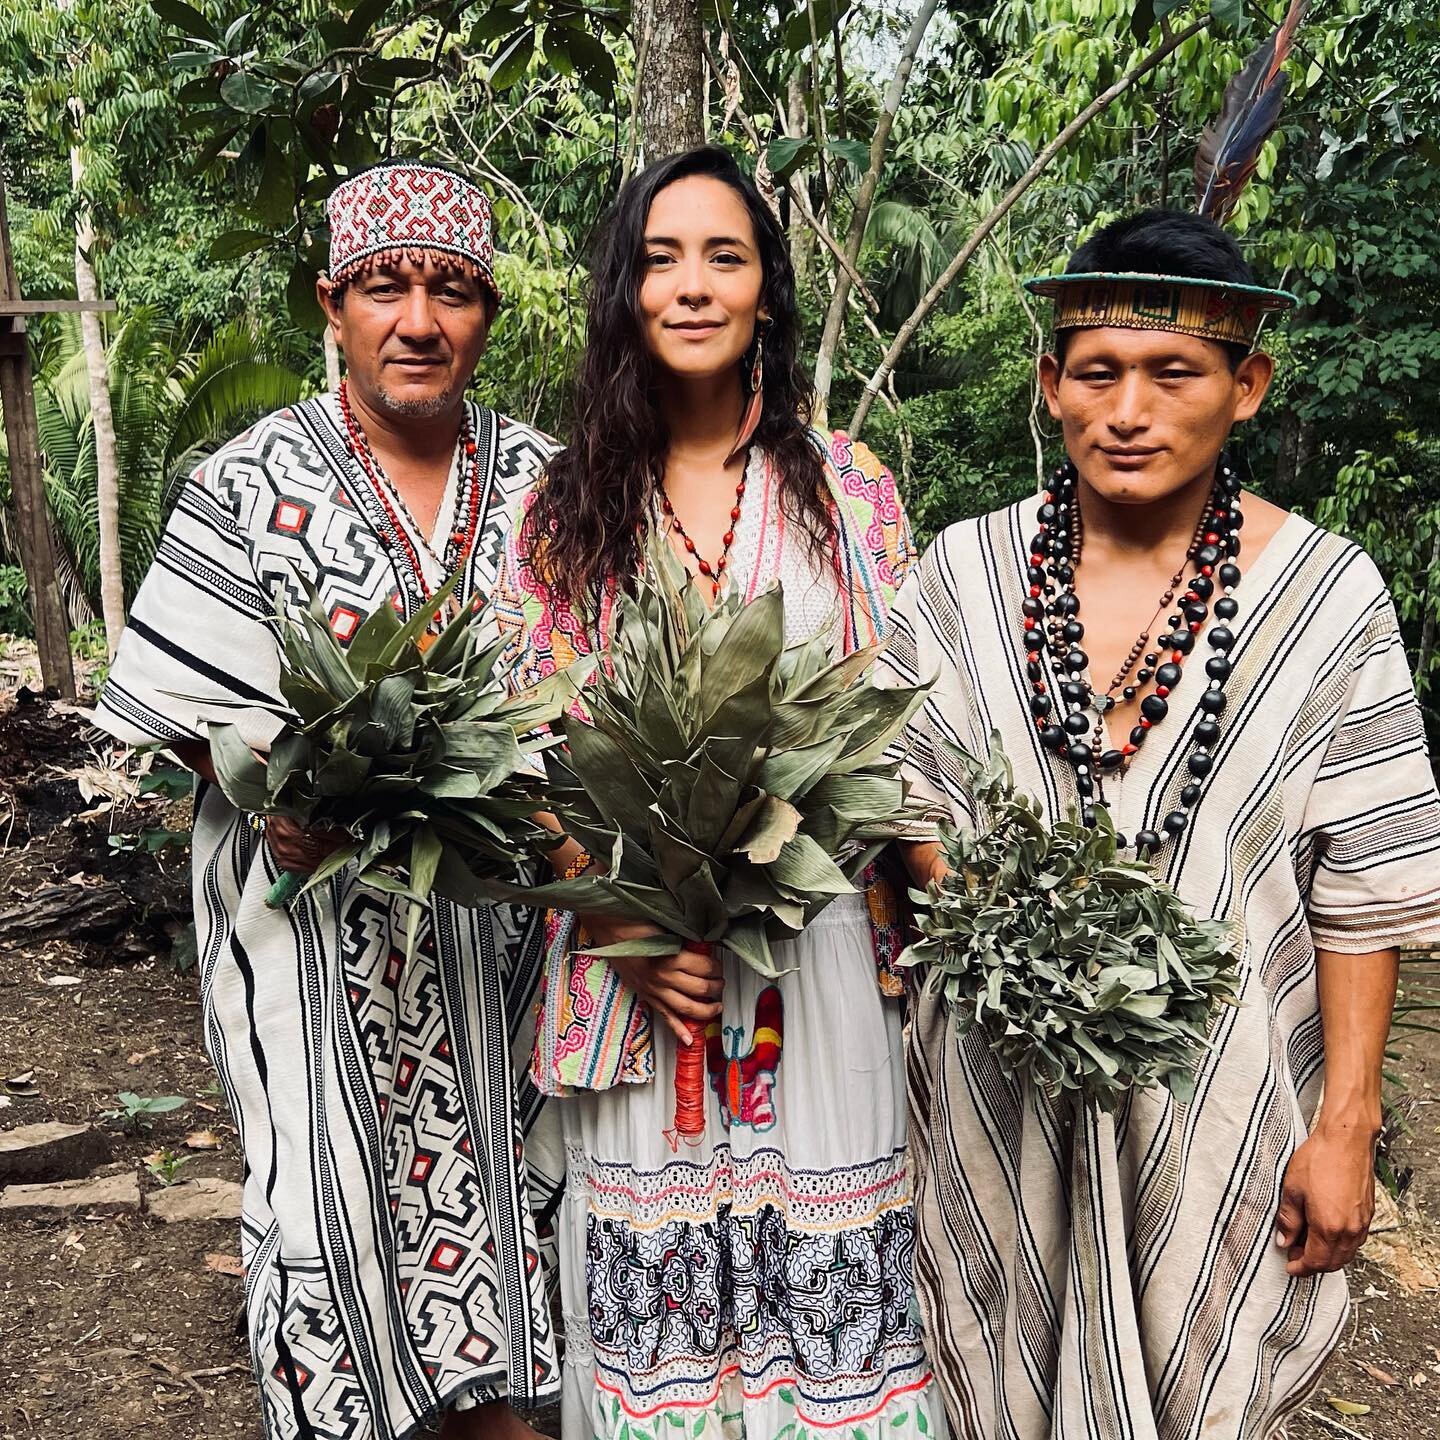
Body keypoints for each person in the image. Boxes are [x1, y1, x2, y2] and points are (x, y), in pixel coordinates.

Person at [878, 208, 1440, 1438]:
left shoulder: (1326, 600)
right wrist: (1004, 915)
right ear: (1051, 384)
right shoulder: (963, 579)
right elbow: (899, 808)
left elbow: (1366, 881)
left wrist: (1348, 1126)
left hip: (1220, 1103)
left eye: (1173, 372)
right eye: (1099, 372)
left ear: (1246, 388)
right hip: (998, 1100)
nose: (1129, 410)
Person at [94, 159, 561, 1440]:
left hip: (505, 940)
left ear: (486, 317)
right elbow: (190, 710)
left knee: (522, 1195)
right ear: (332, 306)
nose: (419, 319)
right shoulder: (248, 479)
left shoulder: (550, 484)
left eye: (453, 291)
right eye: (386, 286)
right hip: (309, 930)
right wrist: (267, 794)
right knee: (327, 1202)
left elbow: (595, 694)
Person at [494, 146, 947, 1440]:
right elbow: (527, 763)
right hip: (647, 981)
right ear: (625, 292)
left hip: (816, 976)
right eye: (661, 257)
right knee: (666, 1337)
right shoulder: (565, 513)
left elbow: (895, 738)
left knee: (829, 1320)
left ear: (767, 292)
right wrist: (625, 930)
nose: (691, 286)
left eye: (725, 257)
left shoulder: (847, 495)